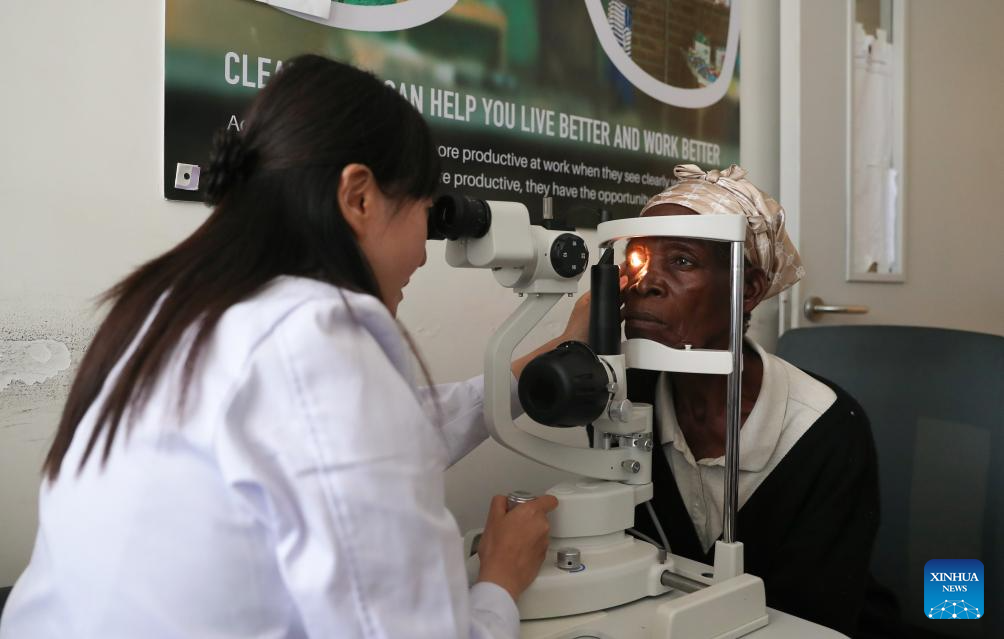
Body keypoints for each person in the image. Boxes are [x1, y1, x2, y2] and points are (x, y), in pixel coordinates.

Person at [0, 55, 584, 639]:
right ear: (359, 197)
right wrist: (499, 583)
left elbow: (387, 436)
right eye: (424, 216)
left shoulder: (172, 309)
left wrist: (557, 349)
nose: (422, 253)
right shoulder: (316, 343)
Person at [622, 164, 890, 637]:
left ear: (748, 289)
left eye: (681, 260)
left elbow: (816, 615)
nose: (645, 282)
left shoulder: (826, 430)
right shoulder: (624, 401)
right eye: (639, 258)